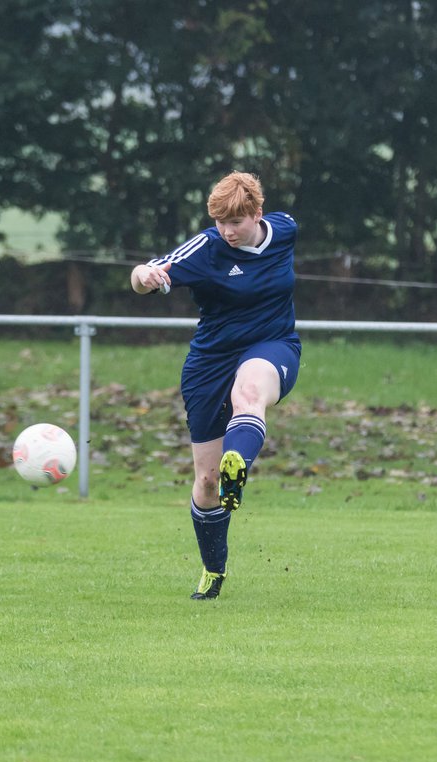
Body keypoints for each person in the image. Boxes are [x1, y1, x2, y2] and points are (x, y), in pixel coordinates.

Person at [130, 171, 301, 600]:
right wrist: (142, 276)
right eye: (220, 222)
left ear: (257, 214)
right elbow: (149, 272)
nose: (227, 231)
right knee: (206, 482)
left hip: (272, 345)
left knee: (249, 393)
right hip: (210, 362)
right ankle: (213, 570)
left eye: (236, 223)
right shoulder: (207, 248)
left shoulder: (284, 229)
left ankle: (237, 464)